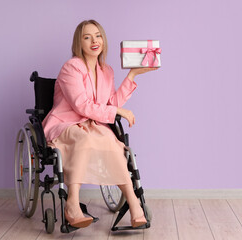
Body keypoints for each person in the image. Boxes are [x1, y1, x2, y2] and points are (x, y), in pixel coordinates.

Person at [42, 19, 157, 228]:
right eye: (87, 37)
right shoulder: (71, 67)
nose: (94, 41)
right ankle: (72, 204)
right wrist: (117, 111)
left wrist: (131, 75)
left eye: (98, 35)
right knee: (85, 139)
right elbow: (82, 106)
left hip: (93, 124)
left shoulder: (107, 71)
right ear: (79, 43)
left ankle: (134, 203)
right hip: (66, 124)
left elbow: (109, 104)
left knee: (113, 143)